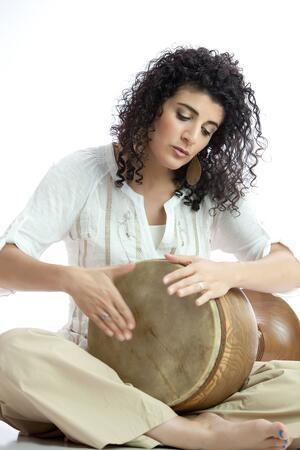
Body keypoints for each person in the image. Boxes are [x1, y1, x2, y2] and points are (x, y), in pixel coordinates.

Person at [0, 46, 299, 450]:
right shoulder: (82, 173)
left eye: (208, 129)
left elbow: (289, 268)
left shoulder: (211, 190)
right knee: (12, 353)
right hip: (90, 372)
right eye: (184, 115)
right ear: (153, 106)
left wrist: (228, 273)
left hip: (195, 389)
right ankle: (192, 433)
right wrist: (70, 280)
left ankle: (135, 423)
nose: (192, 137)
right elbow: (5, 264)